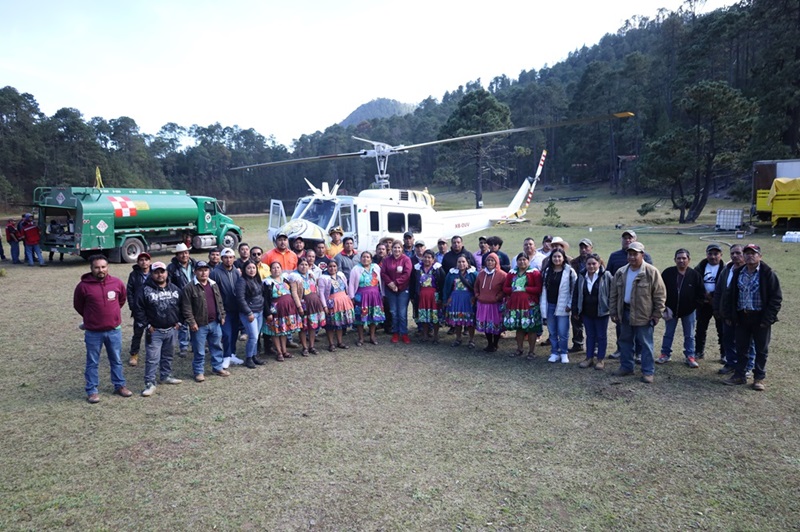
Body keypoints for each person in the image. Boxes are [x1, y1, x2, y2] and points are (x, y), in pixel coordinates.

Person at [721, 244, 782, 391]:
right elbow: (730, 295)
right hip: (742, 317)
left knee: (761, 350)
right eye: (747, 253)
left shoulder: (767, 274)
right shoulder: (738, 273)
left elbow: (776, 298)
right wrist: (729, 315)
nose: (750, 256)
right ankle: (739, 375)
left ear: (760, 256)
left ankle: (758, 378)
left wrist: (768, 319)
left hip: (760, 318)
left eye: (753, 253)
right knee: (741, 348)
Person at [74, 255, 131, 403]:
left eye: (103, 267)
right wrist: (92, 317)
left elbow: (122, 300)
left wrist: (111, 316)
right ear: (91, 269)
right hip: (93, 332)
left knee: (116, 360)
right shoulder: (83, 286)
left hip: (114, 330)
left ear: (107, 267)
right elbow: (78, 305)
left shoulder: (117, 283)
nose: (101, 270)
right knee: (92, 362)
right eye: (97, 267)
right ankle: (92, 391)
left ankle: (119, 385)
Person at [609, 242, 666, 384]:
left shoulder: (651, 272)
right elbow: (614, 294)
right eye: (630, 254)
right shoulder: (621, 272)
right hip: (625, 311)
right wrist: (614, 311)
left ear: (643, 255)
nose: (632, 257)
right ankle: (626, 367)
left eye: (635, 254)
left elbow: (660, 294)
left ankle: (648, 372)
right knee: (625, 341)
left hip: (644, 314)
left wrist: (657, 314)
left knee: (645, 344)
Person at [133, 261, 183, 396]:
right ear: (151, 274)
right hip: (154, 332)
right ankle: (150, 382)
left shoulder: (175, 289)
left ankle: (165, 376)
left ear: (167, 273)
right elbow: (138, 309)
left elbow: (183, 306)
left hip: (172, 329)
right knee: (152, 358)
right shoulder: (144, 290)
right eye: (156, 272)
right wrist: (147, 325)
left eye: (162, 272)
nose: (160, 275)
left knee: (168, 355)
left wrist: (180, 322)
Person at [606, 230, 653, 359]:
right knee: (622, 330)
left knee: (640, 332)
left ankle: (639, 353)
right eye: (625, 238)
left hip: (640, 303)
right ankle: (621, 352)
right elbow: (608, 276)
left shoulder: (647, 259)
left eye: (630, 238)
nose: (627, 240)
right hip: (622, 299)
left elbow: (653, 284)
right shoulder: (614, 256)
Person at [656, 249, 705, 368]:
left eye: (684, 258)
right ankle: (665, 354)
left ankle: (690, 356)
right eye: (679, 258)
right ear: (675, 260)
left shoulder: (694, 275)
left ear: (689, 260)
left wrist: (694, 306)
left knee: (689, 335)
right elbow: (660, 290)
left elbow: (701, 293)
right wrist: (665, 306)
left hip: (689, 311)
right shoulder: (668, 273)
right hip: (670, 310)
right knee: (668, 333)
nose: (681, 261)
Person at [180, 260, 228, 381]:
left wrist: (222, 315)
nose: (203, 273)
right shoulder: (189, 288)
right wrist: (192, 322)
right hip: (199, 325)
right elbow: (186, 307)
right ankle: (198, 372)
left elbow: (219, 301)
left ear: (209, 271)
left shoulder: (213, 284)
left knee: (217, 346)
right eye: (200, 270)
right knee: (199, 350)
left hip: (215, 322)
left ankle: (217, 367)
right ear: (195, 272)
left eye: (205, 270)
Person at [714, 245, 755, 376]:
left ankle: (748, 366)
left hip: (744, 314)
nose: (735, 256)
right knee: (728, 339)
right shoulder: (727, 270)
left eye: (738, 253)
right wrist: (718, 310)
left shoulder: (748, 270)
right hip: (727, 313)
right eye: (732, 253)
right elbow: (719, 291)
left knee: (748, 342)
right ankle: (731, 363)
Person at [572, 253, 612, 370]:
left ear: (599, 264)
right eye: (589, 264)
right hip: (586, 312)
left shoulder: (606, 275)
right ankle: (589, 358)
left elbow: (613, 292)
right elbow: (576, 293)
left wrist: (610, 306)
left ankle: (600, 359)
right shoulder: (581, 275)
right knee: (590, 335)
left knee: (601, 336)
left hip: (601, 312)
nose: (591, 266)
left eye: (594, 263)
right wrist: (575, 309)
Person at [502, 253, 543, 357]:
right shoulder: (512, 273)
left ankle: (531, 351)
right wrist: (513, 289)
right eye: (520, 260)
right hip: (515, 305)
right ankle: (519, 349)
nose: (522, 262)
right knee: (519, 328)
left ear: (528, 261)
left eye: (524, 259)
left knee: (531, 328)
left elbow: (538, 288)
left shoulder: (534, 273)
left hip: (530, 305)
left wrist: (525, 289)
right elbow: (505, 288)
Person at [541, 248, 577, 364]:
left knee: (563, 332)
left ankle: (564, 352)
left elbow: (574, 290)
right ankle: (554, 352)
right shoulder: (547, 271)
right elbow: (544, 290)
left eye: (559, 257)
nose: (557, 259)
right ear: (551, 258)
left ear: (563, 258)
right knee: (552, 331)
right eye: (554, 257)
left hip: (563, 306)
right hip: (550, 305)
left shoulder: (569, 271)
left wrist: (570, 304)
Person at [262, 262, 303, 361]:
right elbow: (265, 299)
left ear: (281, 269)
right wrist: (268, 313)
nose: (276, 270)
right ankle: (279, 352)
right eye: (274, 268)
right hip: (275, 310)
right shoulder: (267, 282)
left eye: (278, 267)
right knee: (275, 332)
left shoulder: (286, 280)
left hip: (287, 310)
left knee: (284, 331)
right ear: (270, 270)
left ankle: (284, 351)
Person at [211, 248, 243, 368]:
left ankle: (232, 354)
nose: (228, 260)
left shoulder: (236, 271)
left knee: (235, 332)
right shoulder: (215, 273)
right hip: (224, 309)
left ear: (234, 258)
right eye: (226, 257)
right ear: (222, 259)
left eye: (231, 257)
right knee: (226, 334)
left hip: (236, 308)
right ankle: (226, 356)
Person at [289, 257, 327, 355]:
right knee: (303, 327)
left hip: (314, 304)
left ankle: (312, 346)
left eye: (306, 264)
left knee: (312, 326)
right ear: (297, 266)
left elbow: (317, 288)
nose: (304, 267)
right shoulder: (294, 277)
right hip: (304, 305)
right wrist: (299, 307)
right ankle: (304, 347)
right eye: (302, 264)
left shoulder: (311, 275)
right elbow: (294, 293)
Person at [694, 243, 724, 361]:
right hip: (703, 304)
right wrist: (703, 296)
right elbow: (696, 284)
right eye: (710, 254)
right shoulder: (700, 267)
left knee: (721, 329)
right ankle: (699, 351)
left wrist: (713, 296)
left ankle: (724, 353)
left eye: (716, 254)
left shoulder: (725, 269)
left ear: (721, 255)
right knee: (701, 329)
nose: (713, 256)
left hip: (718, 304)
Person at [317, 259, 355, 351]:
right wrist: (324, 305)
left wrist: (349, 298)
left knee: (340, 324)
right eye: (330, 266)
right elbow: (321, 293)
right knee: (330, 325)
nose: (332, 268)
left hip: (343, 302)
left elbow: (346, 287)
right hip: (331, 303)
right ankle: (331, 344)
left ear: (337, 267)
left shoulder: (341, 275)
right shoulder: (323, 278)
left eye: (334, 266)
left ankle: (340, 342)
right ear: (327, 267)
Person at [349, 251, 385, 346]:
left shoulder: (376, 267)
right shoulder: (356, 269)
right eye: (363, 257)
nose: (365, 259)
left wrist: (383, 294)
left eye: (368, 257)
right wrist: (352, 297)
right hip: (361, 296)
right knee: (360, 317)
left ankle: (372, 336)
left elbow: (380, 281)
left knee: (373, 316)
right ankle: (361, 338)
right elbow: (351, 284)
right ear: (360, 259)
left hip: (375, 296)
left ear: (371, 259)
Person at [381, 240, 413, 344]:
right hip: (390, 290)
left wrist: (396, 283)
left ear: (402, 249)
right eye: (395, 248)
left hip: (403, 289)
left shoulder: (406, 259)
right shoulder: (387, 260)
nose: (397, 250)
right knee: (393, 312)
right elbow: (383, 273)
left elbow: (407, 273)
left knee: (402, 313)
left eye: (399, 248)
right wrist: (390, 283)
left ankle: (404, 333)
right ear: (392, 249)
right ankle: (395, 333)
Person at [410, 249, 446, 344]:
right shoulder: (417, 269)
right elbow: (412, 283)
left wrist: (442, 297)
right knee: (423, 316)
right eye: (425, 257)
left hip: (434, 296)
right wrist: (412, 296)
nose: (427, 259)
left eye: (429, 257)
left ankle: (435, 336)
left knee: (435, 317)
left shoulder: (438, 269)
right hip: (421, 295)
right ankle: (425, 335)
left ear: (433, 259)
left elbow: (442, 283)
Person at [167, 243, 196, 357]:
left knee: (195, 321)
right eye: (181, 253)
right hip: (180, 298)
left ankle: (196, 345)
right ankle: (183, 346)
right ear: (177, 255)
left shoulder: (195, 264)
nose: (184, 255)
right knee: (183, 324)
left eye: (186, 252)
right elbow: (169, 284)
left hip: (195, 297)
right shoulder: (171, 267)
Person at [474, 252, 507, 353]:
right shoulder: (481, 274)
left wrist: (497, 297)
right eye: (488, 260)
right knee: (486, 324)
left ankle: (495, 343)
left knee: (496, 324)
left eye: (492, 260)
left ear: (496, 262)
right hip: (483, 303)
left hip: (495, 304)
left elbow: (504, 289)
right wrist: (477, 295)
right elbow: (476, 286)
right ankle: (489, 343)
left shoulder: (502, 275)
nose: (490, 262)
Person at [235, 262, 266, 368]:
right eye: (249, 268)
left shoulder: (257, 280)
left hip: (259, 311)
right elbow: (240, 299)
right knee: (253, 336)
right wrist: (248, 312)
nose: (251, 270)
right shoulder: (242, 281)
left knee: (256, 336)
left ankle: (254, 356)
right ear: (244, 270)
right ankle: (248, 358)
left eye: (253, 268)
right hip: (249, 313)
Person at [443, 255, 477, 348]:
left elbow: (477, 287)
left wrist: (475, 297)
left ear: (467, 263)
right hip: (455, 299)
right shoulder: (451, 274)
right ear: (456, 264)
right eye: (459, 262)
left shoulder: (473, 274)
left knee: (470, 321)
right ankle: (458, 338)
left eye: (463, 262)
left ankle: (471, 340)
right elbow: (446, 287)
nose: (461, 264)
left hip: (468, 300)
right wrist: (446, 299)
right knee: (457, 320)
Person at [568, 238, 595, 353]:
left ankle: (595, 346)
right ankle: (578, 343)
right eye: (581, 247)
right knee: (576, 320)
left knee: (593, 323)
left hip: (592, 297)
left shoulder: (597, 261)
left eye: (586, 247)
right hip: (578, 295)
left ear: (591, 248)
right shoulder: (573, 262)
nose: (584, 250)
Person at [126, 252, 152, 367]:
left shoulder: (155, 272)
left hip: (152, 308)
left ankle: (152, 353)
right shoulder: (134, 275)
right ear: (138, 262)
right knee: (138, 332)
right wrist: (133, 306)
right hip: (139, 309)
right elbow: (129, 291)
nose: (144, 262)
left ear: (150, 262)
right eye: (141, 260)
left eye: (146, 260)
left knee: (152, 332)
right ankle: (134, 354)